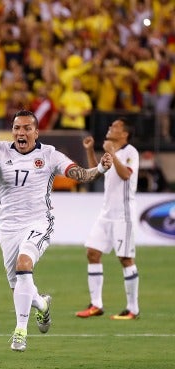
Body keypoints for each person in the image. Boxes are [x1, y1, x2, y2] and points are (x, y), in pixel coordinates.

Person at [0, 109, 113, 352]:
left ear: (36, 131)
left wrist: (101, 170)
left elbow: (81, 174)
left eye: (26, 128)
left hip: (38, 223)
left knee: (24, 264)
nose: (20, 133)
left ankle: (20, 332)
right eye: (16, 128)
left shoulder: (49, 155)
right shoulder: (0, 152)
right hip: (9, 227)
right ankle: (42, 304)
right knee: (19, 287)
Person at [76, 119, 141, 320]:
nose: (110, 128)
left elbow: (125, 176)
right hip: (106, 214)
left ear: (124, 134)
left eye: (115, 127)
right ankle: (96, 305)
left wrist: (112, 153)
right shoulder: (110, 152)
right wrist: (89, 151)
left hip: (124, 215)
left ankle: (132, 308)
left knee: (125, 259)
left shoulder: (131, 152)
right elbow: (96, 173)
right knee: (92, 253)